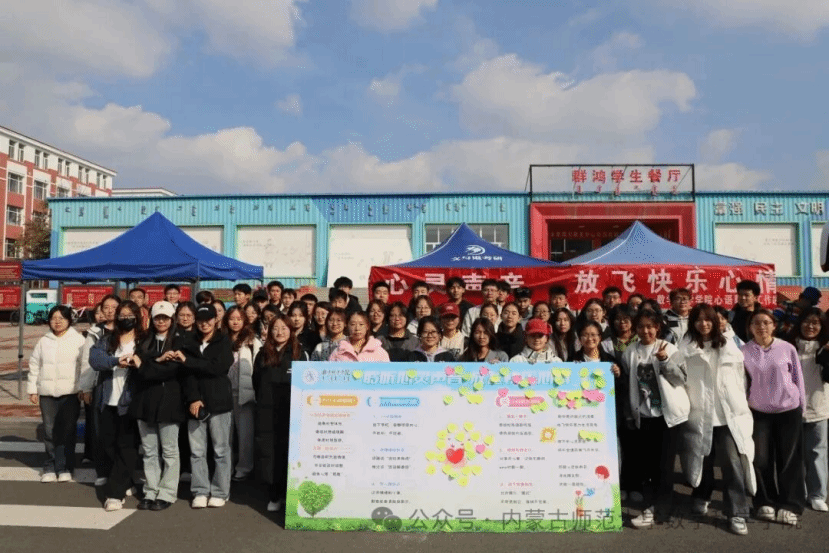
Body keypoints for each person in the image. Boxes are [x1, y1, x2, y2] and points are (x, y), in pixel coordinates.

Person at [668, 304, 755, 535]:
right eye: (698, 320)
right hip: (699, 414)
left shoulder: (729, 346)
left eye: (708, 320)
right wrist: (666, 364)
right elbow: (676, 378)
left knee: (732, 463)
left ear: (715, 322)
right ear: (693, 323)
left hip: (727, 416)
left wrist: (740, 407)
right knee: (701, 460)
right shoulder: (685, 347)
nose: (703, 324)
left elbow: (741, 381)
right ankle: (701, 495)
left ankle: (737, 512)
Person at [742, 309, 806, 525]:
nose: (761, 327)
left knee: (789, 460)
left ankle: (791, 504)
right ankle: (765, 501)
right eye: (756, 323)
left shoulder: (787, 348)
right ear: (750, 327)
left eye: (766, 322)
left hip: (788, 410)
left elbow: (797, 378)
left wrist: (802, 407)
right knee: (761, 460)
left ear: (774, 325)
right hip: (758, 412)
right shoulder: (743, 351)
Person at [622, 310, 680, 528]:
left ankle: (659, 510)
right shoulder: (630, 351)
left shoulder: (670, 348)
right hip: (644, 416)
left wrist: (664, 361)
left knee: (665, 466)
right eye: (641, 326)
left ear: (657, 327)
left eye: (650, 326)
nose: (645, 330)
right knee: (649, 466)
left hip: (667, 416)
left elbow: (680, 379)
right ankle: (656, 506)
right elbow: (629, 382)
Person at [89, 300, 145, 511]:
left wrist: (137, 362)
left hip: (131, 402)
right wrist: (115, 361)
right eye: (123, 315)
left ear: (137, 317)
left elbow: (150, 363)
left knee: (127, 446)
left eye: (130, 315)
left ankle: (114, 493)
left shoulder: (143, 340)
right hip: (108, 400)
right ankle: (127, 481)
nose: (126, 319)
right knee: (109, 444)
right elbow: (95, 359)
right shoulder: (108, 339)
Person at [129, 301, 185, 511]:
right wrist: (157, 360)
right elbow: (135, 371)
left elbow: (170, 371)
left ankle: (167, 492)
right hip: (145, 402)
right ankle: (150, 490)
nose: (161, 321)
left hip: (170, 402)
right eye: (158, 317)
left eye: (165, 317)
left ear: (172, 319)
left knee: (169, 451)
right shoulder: (144, 341)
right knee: (149, 451)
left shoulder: (180, 341)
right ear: (152, 319)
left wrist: (147, 364)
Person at [177, 304, 234, 509]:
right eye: (200, 320)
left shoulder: (224, 341)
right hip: (195, 404)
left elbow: (219, 367)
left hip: (219, 402)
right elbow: (186, 374)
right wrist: (193, 398)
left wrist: (189, 362)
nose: (204, 323)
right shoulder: (188, 342)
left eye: (208, 319)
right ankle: (200, 490)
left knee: (221, 450)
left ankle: (220, 491)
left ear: (215, 320)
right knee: (197, 451)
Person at [253, 316, 308, 512]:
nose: (280, 332)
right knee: (270, 454)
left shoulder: (300, 353)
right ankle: (274, 494)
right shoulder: (262, 354)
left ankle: (289, 495)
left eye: (284, 328)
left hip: (292, 412)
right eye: (275, 328)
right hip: (267, 412)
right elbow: (256, 381)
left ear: (291, 330)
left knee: (289, 453)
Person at [28, 305, 88, 483]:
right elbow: (34, 365)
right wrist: (33, 389)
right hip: (47, 394)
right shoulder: (44, 341)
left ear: (69, 320)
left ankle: (65, 467)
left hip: (70, 393)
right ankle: (50, 466)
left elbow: (84, 366)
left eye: (61, 318)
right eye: (54, 318)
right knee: (49, 431)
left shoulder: (78, 340)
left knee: (67, 431)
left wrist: (83, 388)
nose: (57, 321)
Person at [787, 307, 828, 512]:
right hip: (791, 409)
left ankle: (818, 494)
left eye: (815, 323)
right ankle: (799, 492)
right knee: (795, 455)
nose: (810, 326)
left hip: (818, 407)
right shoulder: (788, 347)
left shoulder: (824, 349)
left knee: (817, 453)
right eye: (806, 321)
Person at [81, 295, 120, 480]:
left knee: (122, 433)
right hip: (101, 385)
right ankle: (103, 472)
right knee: (100, 431)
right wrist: (86, 388)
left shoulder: (128, 330)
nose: (110, 310)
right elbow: (87, 362)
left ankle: (121, 474)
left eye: (114, 307)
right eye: (106, 307)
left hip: (123, 385)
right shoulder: (95, 332)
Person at [223, 306, 260, 483]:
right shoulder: (221, 339)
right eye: (232, 319)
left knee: (245, 434)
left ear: (245, 321)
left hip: (244, 394)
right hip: (224, 393)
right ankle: (226, 467)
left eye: (239, 319)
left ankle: (244, 467)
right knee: (225, 435)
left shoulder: (252, 341)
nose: (235, 322)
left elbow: (258, 367)